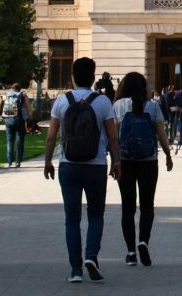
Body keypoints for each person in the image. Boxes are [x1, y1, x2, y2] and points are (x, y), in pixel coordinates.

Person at [44, 57, 121, 284]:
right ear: (93, 77)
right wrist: (117, 161)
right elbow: (113, 137)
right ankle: (91, 256)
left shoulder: (61, 101)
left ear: (72, 77)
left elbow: (51, 136)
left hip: (68, 164)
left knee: (72, 219)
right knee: (96, 215)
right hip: (95, 165)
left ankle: (76, 269)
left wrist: (48, 161)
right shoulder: (103, 102)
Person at [113, 72, 173, 267]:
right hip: (148, 160)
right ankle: (143, 241)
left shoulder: (118, 106)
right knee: (147, 205)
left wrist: (114, 161)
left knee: (127, 207)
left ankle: (130, 252)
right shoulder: (153, 106)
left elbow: (114, 137)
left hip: (125, 160)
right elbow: (162, 134)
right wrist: (168, 155)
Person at [0, 81, 28, 168]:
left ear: (12, 88)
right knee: (20, 141)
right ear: (19, 89)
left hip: (8, 120)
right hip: (18, 119)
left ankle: (9, 162)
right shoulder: (22, 95)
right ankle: (18, 162)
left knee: (10, 142)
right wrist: (30, 117)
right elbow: (29, 108)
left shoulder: (7, 95)